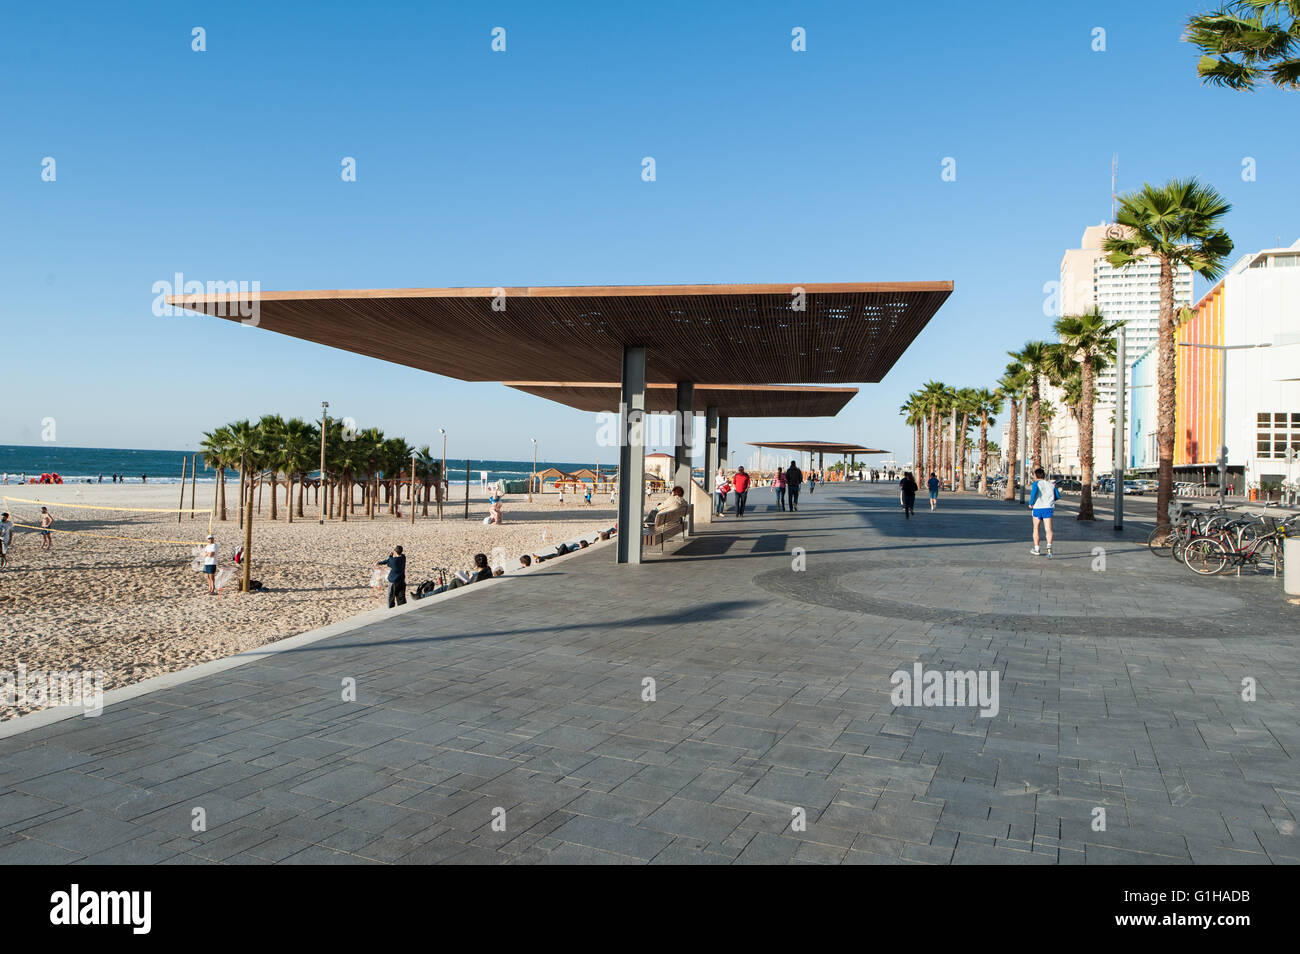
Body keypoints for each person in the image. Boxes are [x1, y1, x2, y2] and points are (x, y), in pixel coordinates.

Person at [1029, 467, 1060, 558]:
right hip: (1048, 508)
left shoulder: (1036, 484)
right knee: (1048, 529)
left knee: (1036, 528)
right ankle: (1049, 548)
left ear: (1035, 476)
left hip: (1038, 508)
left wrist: (1031, 504)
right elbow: (1057, 496)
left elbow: (1033, 494)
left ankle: (1037, 548)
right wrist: (1049, 500)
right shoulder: (1051, 485)